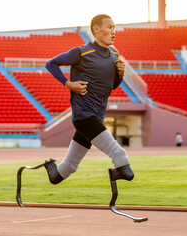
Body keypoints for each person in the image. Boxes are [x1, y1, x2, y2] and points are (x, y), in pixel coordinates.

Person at [43, 14, 134, 184]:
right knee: (120, 156)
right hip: (84, 115)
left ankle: (53, 171)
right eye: (109, 27)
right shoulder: (81, 52)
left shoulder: (114, 53)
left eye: (114, 28)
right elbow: (51, 64)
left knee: (69, 166)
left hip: (97, 114)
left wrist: (120, 74)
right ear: (96, 29)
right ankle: (117, 172)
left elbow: (112, 85)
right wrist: (68, 83)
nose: (113, 31)